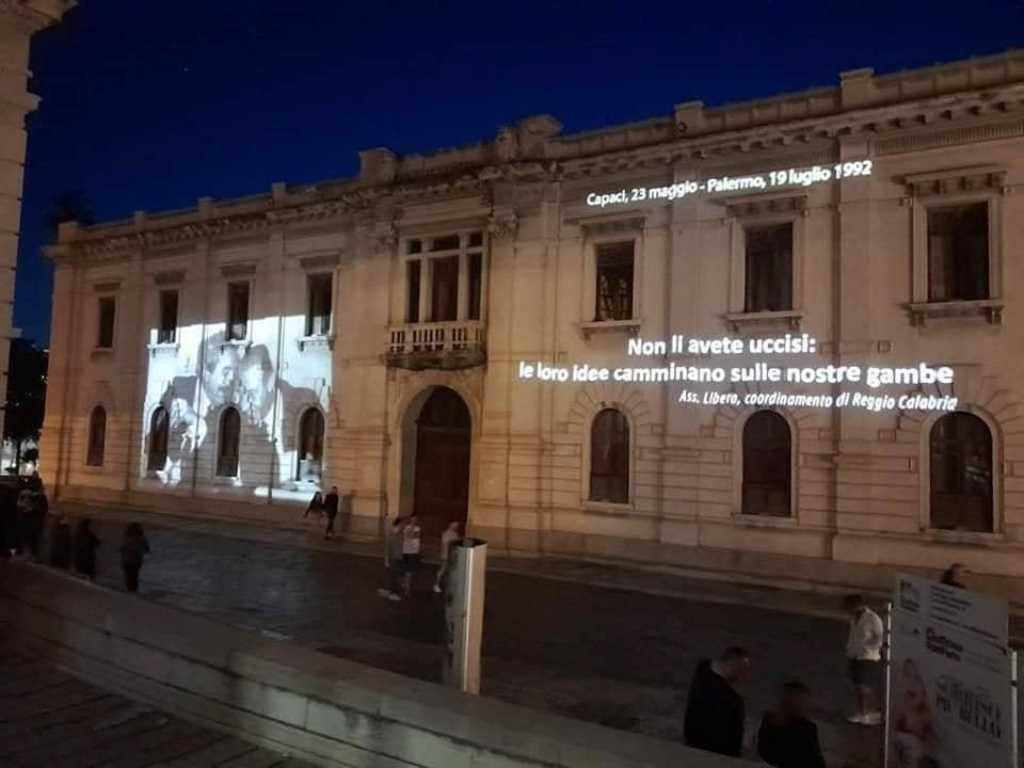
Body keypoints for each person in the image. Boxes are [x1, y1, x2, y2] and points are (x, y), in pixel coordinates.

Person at [683, 646, 751, 757]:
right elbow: (734, 739)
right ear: (733, 662)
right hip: (712, 753)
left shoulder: (703, 673)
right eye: (741, 668)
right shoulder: (732, 700)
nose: (742, 675)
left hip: (696, 748)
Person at [757, 681, 826, 768]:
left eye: (803, 701)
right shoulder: (772, 722)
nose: (802, 705)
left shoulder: (808, 727)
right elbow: (765, 753)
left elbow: (816, 759)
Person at [844, 594, 884, 725]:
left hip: (867, 657)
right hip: (855, 656)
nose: (847, 609)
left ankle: (865, 714)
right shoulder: (853, 618)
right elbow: (853, 636)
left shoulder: (872, 618)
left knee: (864, 687)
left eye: (849, 606)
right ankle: (865, 712)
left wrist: (869, 647)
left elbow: (880, 637)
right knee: (858, 686)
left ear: (858, 605)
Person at [120, 522, 150, 592]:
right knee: (134, 576)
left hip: (126, 560)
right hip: (136, 560)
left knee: (128, 576)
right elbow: (147, 549)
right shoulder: (141, 538)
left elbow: (122, 548)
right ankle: (133, 590)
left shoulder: (126, 537)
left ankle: (130, 590)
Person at [433, 520, 461, 594]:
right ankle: (436, 584)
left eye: (457, 525)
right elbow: (445, 544)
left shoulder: (455, 534)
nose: (456, 526)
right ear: (450, 524)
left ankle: (448, 585)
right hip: (446, 554)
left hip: (452, 554)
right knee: (442, 569)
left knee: (450, 570)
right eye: (455, 525)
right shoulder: (446, 533)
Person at [400, 514, 422, 598]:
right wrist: (412, 534)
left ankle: (405, 584)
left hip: (414, 551)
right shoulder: (407, 527)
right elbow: (406, 536)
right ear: (410, 520)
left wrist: (411, 534)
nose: (414, 521)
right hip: (407, 551)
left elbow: (417, 535)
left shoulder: (417, 528)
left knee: (409, 571)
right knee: (408, 571)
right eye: (412, 519)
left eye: (415, 519)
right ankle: (407, 589)